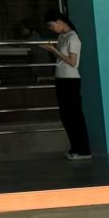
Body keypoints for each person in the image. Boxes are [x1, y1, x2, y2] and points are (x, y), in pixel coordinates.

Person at [41, 9, 90, 162]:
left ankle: (84, 149)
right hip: (61, 79)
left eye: (51, 25)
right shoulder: (62, 36)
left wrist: (54, 51)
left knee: (74, 115)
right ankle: (75, 147)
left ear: (59, 21)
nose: (51, 29)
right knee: (65, 115)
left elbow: (73, 62)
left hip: (70, 80)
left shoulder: (73, 38)